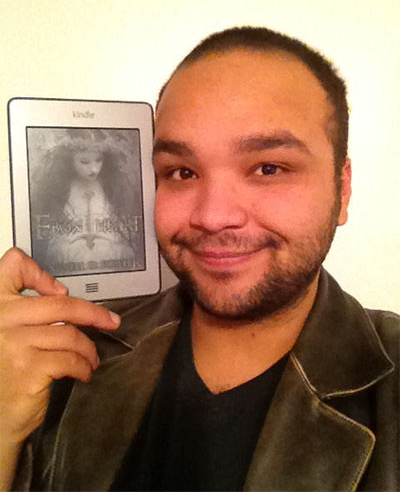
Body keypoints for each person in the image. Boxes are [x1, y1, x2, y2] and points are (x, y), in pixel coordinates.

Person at [0, 27, 398, 491]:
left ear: (342, 188)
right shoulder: (56, 362)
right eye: (182, 172)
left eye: (268, 168)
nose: (212, 216)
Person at [29, 128, 145, 275]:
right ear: (69, 161)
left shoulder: (112, 186)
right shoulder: (61, 188)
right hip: (70, 249)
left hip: (108, 248)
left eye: (99, 160)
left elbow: (118, 225)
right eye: (84, 162)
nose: (94, 169)